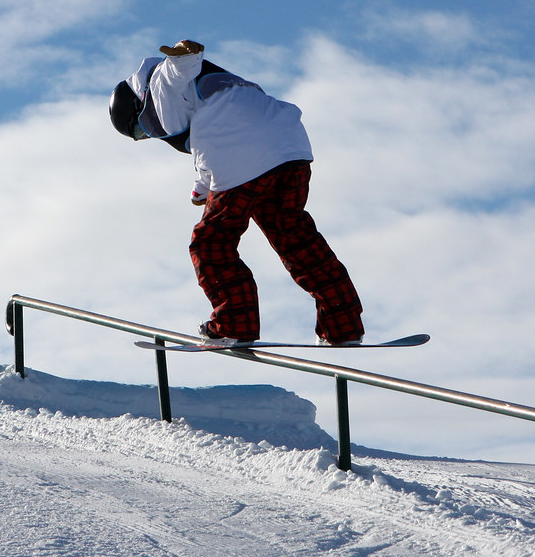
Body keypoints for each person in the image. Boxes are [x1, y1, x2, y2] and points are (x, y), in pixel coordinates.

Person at [109, 39, 364, 345]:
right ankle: (343, 326)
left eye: (139, 129)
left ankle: (234, 324)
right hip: (290, 150)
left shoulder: (160, 82)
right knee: (296, 239)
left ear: (138, 103)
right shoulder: (221, 88)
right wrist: (202, 187)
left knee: (211, 243)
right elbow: (212, 136)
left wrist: (183, 55)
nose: (149, 134)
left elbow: (175, 73)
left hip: (241, 156)